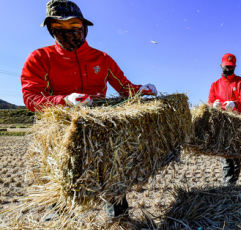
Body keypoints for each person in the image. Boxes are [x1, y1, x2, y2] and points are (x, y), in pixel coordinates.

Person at [20, 0, 157, 220]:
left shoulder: (101, 59)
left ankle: (119, 222)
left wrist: (142, 90)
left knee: (113, 182)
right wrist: (64, 101)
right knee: (63, 190)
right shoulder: (40, 58)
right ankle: (58, 222)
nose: (67, 32)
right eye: (59, 27)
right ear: (50, 29)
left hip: (100, 132)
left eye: (73, 25)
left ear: (84, 26)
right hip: (61, 136)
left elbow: (124, 88)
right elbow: (31, 98)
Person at [208, 53, 241, 186]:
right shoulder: (215, 85)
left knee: (237, 157)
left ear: (235, 66)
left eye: (231, 66)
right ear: (221, 65)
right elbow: (210, 101)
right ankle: (227, 185)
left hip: (238, 124)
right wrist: (213, 106)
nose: (228, 69)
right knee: (226, 156)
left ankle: (233, 182)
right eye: (226, 66)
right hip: (222, 125)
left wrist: (235, 104)